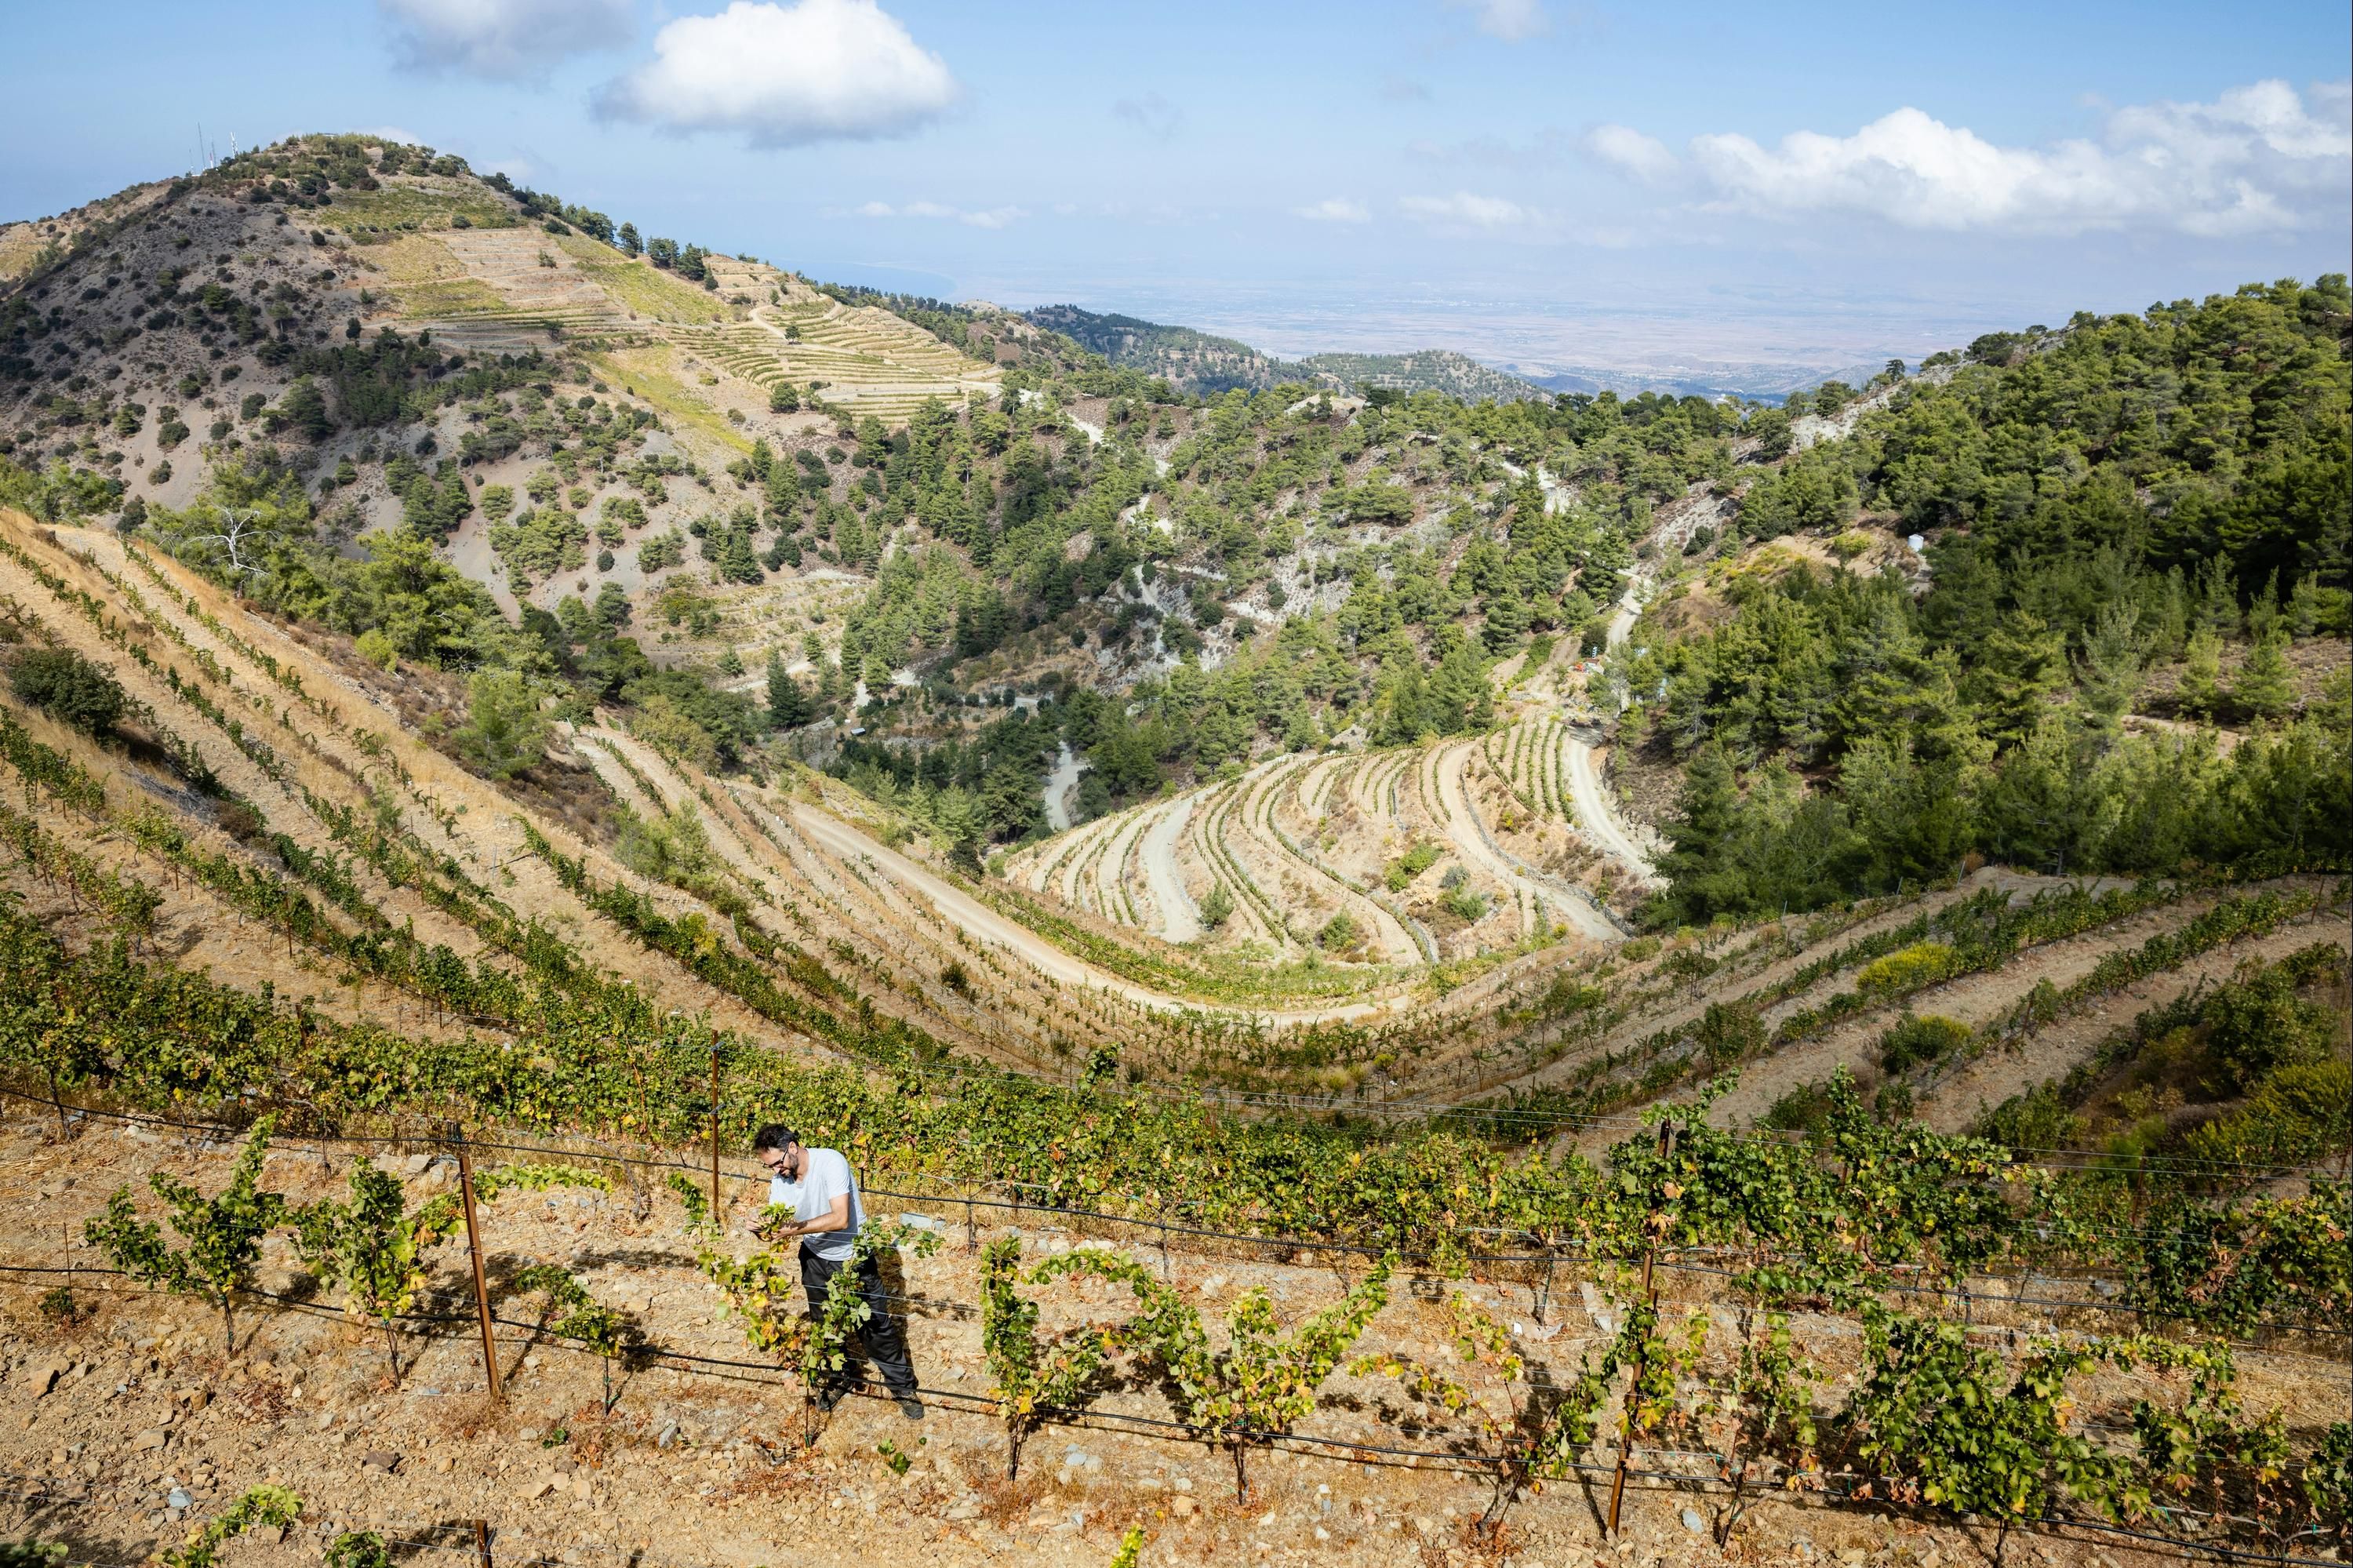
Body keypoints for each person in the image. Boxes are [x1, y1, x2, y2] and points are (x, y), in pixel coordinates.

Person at [750, 1124, 923, 1419]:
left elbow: (841, 1218)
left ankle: (903, 1387)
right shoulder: (780, 1181)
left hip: (853, 1256)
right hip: (815, 1258)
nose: (777, 1171)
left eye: (778, 1163)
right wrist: (759, 1228)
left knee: (876, 1327)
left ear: (792, 1147)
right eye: (770, 1166)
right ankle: (841, 1377)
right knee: (825, 1325)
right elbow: (774, 1231)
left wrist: (795, 1229)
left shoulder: (830, 1161)